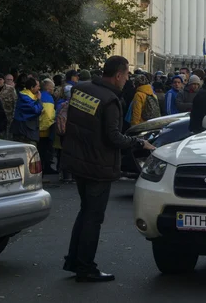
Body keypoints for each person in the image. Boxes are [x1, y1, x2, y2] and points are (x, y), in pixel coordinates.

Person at [60, 56, 155, 283]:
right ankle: (86, 267)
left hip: (78, 161)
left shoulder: (80, 89)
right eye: (127, 75)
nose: (127, 80)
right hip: (97, 166)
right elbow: (113, 137)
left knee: (85, 213)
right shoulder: (111, 100)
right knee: (93, 217)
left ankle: (74, 260)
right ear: (119, 75)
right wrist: (139, 143)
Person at [10, 78, 43, 146]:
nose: (39, 88)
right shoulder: (25, 98)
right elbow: (35, 110)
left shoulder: (28, 97)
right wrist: (39, 100)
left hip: (26, 131)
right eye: (37, 86)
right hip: (25, 132)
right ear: (32, 87)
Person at [38, 79, 58, 174]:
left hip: (37, 129)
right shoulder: (48, 98)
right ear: (48, 87)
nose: (53, 89)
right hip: (45, 130)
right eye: (53, 87)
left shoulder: (39, 95)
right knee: (45, 150)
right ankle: (45, 168)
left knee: (40, 151)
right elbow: (48, 115)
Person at [0, 73, 17, 139]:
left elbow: (15, 102)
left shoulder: (11, 89)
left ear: (3, 80)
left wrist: (14, 116)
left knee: (10, 137)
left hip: (9, 117)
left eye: (0, 80)